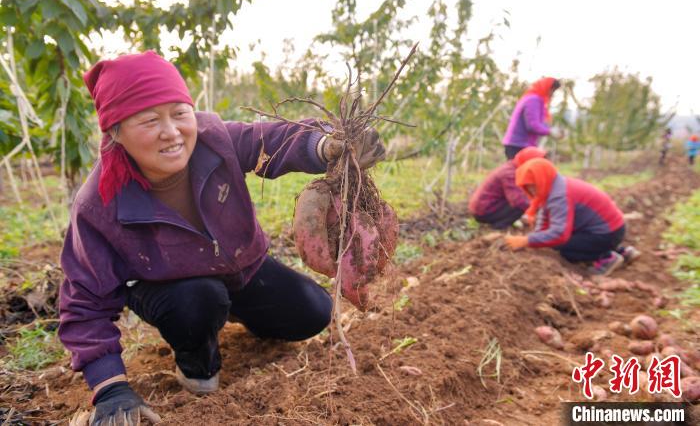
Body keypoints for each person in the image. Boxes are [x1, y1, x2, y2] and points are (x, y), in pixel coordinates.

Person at [57, 51, 386, 425]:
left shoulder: (214, 140)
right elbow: (83, 303)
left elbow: (270, 140)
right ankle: (196, 361)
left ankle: (235, 313)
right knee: (199, 299)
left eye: (180, 113)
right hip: (174, 289)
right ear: (114, 131)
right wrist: (110, 387)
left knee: (313, 312)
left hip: (242, 268)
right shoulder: (99, 203)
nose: (172, 131)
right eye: (150, 120)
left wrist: (326, 146)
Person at [504, 158, 640, 274]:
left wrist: (527, 240)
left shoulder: (559, 195)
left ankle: (606, 257)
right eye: (528, 187)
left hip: (607, 233)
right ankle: (621, 251)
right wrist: (536, 238)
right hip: (610, 229)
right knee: (553, 241)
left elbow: (559, 233)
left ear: (541, 179)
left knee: (563, 249)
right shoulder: (554, 186)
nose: (531, 191)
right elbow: (545, 217)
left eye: (533, 186)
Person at [468, 147, 546, 229]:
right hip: (484, 211)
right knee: (520, 205)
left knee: (526, 201)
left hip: (490, 206)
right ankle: (499, 226)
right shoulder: (510, 173)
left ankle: (504, 221)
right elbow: (519, 201)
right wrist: (540, 209)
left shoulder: (515, 166)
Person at [502, 77, 561, 159]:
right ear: (545, 87)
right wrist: (550, 131)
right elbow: (532, 125)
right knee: (524, 170)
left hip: (521, 144)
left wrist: (550, 129)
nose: (552, 94)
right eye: (552, 90)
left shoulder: (535, 99)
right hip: (518, 145)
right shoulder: (533, 100)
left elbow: (537, 122)